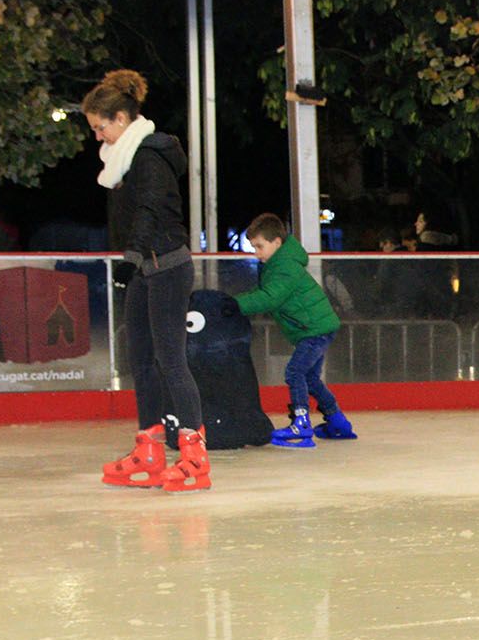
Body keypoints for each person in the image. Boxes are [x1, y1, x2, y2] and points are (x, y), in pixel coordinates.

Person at [89, 69, 210, 493]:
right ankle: (150, 448)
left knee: (171, 361)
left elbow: (151, 210)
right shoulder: (123, 159)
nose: (98, 136)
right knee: (141, 359)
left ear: (121, 119)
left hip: (167, 267)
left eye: (101, 127)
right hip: (146, 269)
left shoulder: (149, 155)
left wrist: (131, 256)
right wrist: (135, 261)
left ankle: (195, 457)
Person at [235, 213, 357, 447]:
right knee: (310, 377)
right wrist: (235, 301)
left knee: (295, 372)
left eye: (259, 246)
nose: (256, 253)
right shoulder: (277, 264)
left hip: (313, 329)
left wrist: (233, 305)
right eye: (254, 247)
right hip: (317, 327)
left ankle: (301, 424)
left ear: (277, 243)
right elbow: (263, 293)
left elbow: (270, 298)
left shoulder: (284, 267)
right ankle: (337, 421)